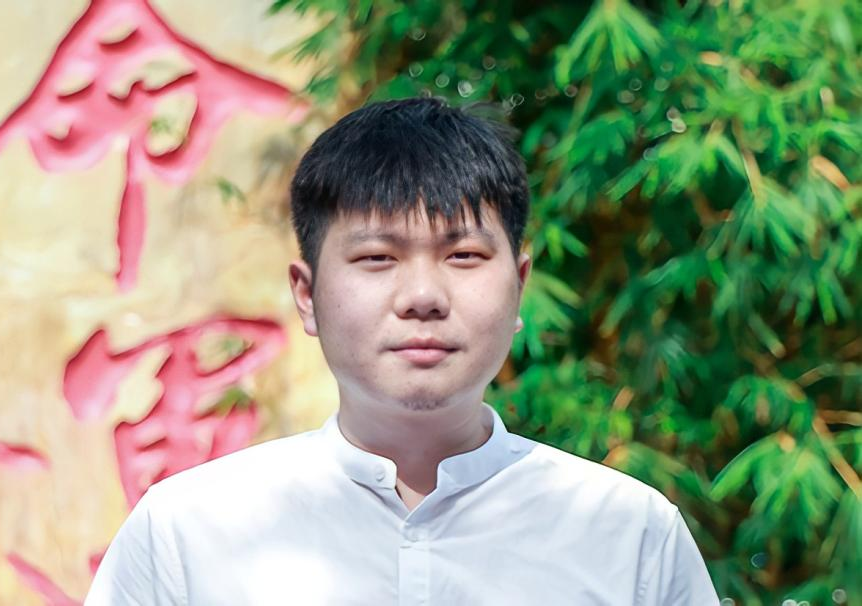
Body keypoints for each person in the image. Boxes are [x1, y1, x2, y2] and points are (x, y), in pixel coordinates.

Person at [85, 97, 719, 605]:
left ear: (519, 286)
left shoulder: (628, 534)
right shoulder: (188, 532)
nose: (422, 297)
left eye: (463, 255)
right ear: (307, 295)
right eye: (377, 258)